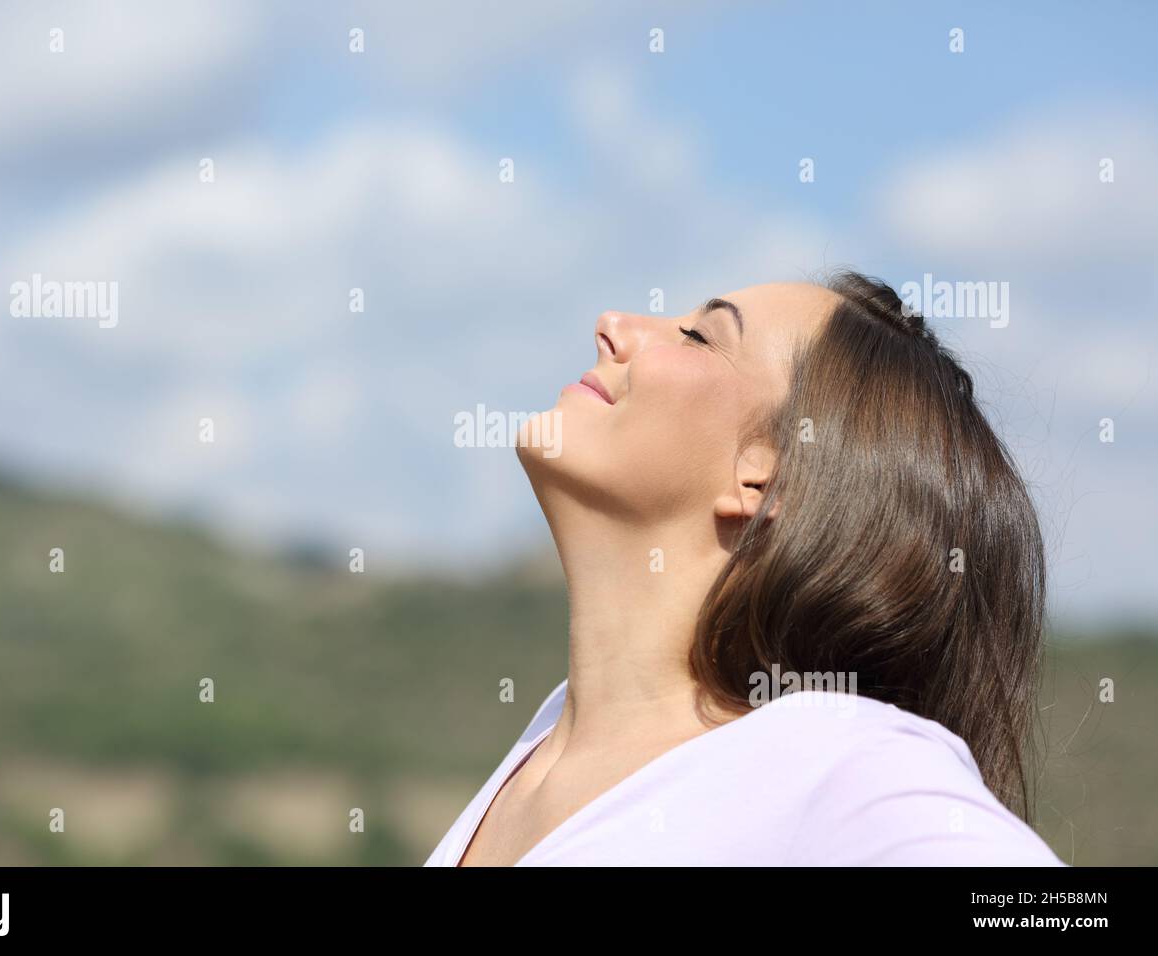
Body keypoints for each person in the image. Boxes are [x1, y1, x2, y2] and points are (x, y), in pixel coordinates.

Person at [425, 272, 1066, 867]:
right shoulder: (545, 742)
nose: (612, 325)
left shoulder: (838, 757)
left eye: (700, 336)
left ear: (765, 476)